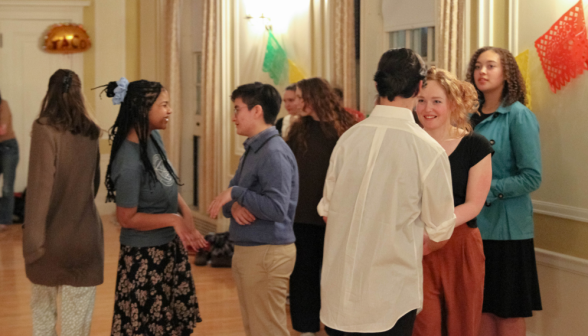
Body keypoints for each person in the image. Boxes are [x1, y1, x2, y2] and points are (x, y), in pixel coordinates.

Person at [318, 48, 456, 336]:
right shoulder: (428, 150)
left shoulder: (349, 139)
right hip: (388, 298)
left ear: (378, 85)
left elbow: (327, 212)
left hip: (337, 292)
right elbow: (441, 231)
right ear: (419, 87)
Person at [103, 78, 207, 335]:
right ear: (142, 109)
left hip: (167, 249)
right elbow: (127, 218)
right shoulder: (128, 161)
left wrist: (186, 217)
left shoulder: (153, 137)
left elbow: (167, 182)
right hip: (145, 259)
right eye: (164, 105)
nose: (170, 110)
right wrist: (173, 219)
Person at [208, 82, 299, 336]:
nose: (234, 117)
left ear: (256, 111)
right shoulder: (253, 148)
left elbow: (277, 209)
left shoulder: (273, 152)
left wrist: (237, 195)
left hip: (267, 253)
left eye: (238, 109)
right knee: (255, 329)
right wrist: (236, 203)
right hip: (251, 250)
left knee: (268, 330)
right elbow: (229, 200)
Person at [466, 47, 542, 336]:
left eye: (491, 66)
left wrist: (483, 190)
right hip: (474, 229)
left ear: (507, 73)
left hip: (508, 230)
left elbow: (531, 177)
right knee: (482, 307)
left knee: (507, 311)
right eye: (477, 66)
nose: (482, 71)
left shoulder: (518, 115)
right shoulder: (468, 118)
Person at [412, 67, 493, 336]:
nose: (427, 108)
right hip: (417, 246)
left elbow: (473, 204)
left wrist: (435, 229)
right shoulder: (408, 143)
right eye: (421, 100)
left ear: (452, 104)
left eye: (436, 101)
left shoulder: (475, 146)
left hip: (460, 246)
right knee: (424, 328)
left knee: (462, 327)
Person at [22, 69, 103, 336]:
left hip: (49, 240)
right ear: (79, 93)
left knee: (44, 318)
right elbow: (94, 185)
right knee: (76, 326)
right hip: (85, 237)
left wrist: (32, 245)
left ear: (50, 92)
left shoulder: (44, 128)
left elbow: (39, 190)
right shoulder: (91, 132)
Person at [287, 78, 356, 336]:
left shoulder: (346, 127)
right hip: (302, 215)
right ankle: (305, 328)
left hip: (335, 216)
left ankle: (335, 326)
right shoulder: (297, 129)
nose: (298, 103)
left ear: (316, 97)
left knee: (333, 276)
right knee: (302, 275)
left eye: (302, 97)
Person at [0, 90, 19, 230]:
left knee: (7, 188)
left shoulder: (3, 105)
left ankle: (5, 221)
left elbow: (2, 130)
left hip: (8, 148)